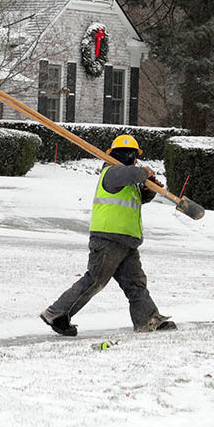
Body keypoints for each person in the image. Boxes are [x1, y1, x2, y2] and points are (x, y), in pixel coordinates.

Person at [40, 134, 175, 336]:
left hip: (127, 241)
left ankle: (148, 320)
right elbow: (130, 174)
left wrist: (149, 188)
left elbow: (140, 198)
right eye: (126, 153)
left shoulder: (128, 178)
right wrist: (144, 172)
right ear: (115, 155)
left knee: (135, 284)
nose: (130, 157)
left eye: (132, 154)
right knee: (95, 280)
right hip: (108, 239)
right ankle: (56, 313)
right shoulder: (112, 172)